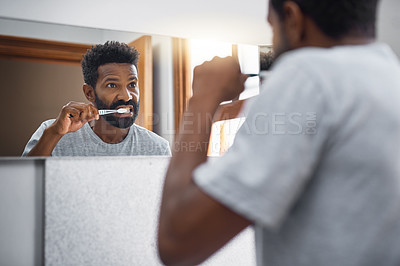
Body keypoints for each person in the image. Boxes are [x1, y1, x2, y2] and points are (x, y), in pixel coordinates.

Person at [157, 0, 400, 265]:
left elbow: (176, 241)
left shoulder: (307, 75)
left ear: (292, 17)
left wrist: (204, 95)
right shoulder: (390, 77)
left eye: (272, 28)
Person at [23, 41, 171, 156]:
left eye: (132, 84)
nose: (126, 96)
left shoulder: (158, 148)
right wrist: (54, 133)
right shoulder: (52, 133)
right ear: (89, 93)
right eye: (112, 85)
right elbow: (23, 184)